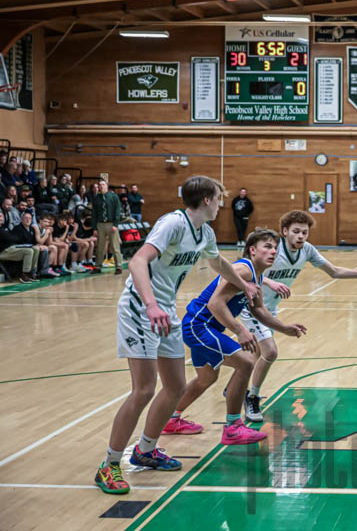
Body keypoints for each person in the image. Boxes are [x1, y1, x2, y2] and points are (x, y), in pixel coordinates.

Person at [94, 176, 260, 496]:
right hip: (141, 309)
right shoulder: (172, 223)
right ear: (207, 200)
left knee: (175, 387)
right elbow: (138, 261)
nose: (222, 203)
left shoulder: (205, 232)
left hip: (166, 311)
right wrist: (151, 304)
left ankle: (145, 450)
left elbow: (218, 262)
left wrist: (244, 284)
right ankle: (109, 465)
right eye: (219, 197)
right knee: (144, 390)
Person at [232, 211, 357, 422]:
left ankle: (235, 387)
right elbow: (242, 268)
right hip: (251, 305)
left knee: (256, 355)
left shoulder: (307, 250)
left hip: (270, 308)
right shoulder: (272, 248)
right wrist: (268, 282)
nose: (301, 236)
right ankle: (252, 398)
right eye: (296, 231)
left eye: (304, 232)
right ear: (285, 232)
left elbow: (334, 271)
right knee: (270, 352)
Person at [174, 228, 307, 446]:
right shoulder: (244, 270)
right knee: (246, 362)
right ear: (252, 250)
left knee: (207, 378)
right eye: (267, 247)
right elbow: (215, 303)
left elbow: (258, 310)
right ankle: (233, 427)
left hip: (205, 327)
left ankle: (172, 419)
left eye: (275, 248)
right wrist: (240, 331)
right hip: (199, 325)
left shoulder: (257, 275)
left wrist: (284, 328)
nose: (273, 251)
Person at [92, 180, 124, 275]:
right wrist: (94, 228)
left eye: (103, 184)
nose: (101, 186)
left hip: (111, 224)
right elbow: (94, 213)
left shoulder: (113, 196)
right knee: (100, 247)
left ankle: (118, 266)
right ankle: (98, 266)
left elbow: (117, 210)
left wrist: (116, 224)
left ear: (107, 186)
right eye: (100, 185)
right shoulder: (96, 198)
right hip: (100, 224)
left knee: (115, 246)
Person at [0, 208, 40, 283]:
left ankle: (32, 272)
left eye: (1, 216)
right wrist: (10, 238)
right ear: (21, 219)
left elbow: (12, 238)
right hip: (3, 251)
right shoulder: (16, 228)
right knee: (28, 251)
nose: (0, 218)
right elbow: (12, 239)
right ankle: (25, 274)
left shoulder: (4, 227)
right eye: (26, 218)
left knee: (36, 249)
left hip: (11, 248)